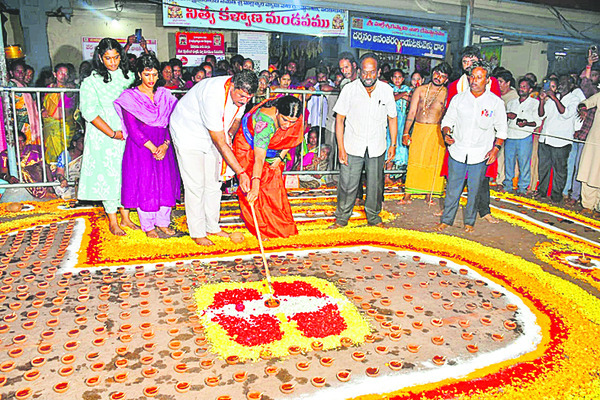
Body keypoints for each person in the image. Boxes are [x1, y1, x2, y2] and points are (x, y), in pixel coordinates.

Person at [170, 70, 258, 246]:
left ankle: (212, 226)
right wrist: (240, 172)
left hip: (214, 134)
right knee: (196, 184)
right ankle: (197, 232)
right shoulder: (213, 94)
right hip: (188, 134)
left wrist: (230, 134)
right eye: (241, 96)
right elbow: (219, 141)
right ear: (232, 85)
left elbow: (235, 121)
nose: (244, 101)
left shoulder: (241, 96)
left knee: (214, 182)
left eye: (248, 98)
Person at [115, 54, 180, 238]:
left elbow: (171, 123)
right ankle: (148, 225)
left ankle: (163, 222)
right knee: (146, 184)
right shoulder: (130, 98)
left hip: (164, 145)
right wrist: (153, 148)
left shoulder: (165, 96)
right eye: (147, 74)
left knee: (165, 183)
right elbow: (132, 129)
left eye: (154, 74)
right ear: (139, 74)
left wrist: (166, 145)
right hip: (141, 148)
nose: (151, 79)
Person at [437, 61, 507, 233]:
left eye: (479, 77)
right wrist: (446, 134)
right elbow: (447, 121)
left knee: (475, 190)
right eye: (472, 77)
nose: (474, 80)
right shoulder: (458, 99)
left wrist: (495, 149)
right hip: (458, 151)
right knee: (453, 189)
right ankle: (447, 220)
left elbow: (502, 129)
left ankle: (470, 222)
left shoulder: (495, 103)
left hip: (480, 153)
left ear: (487, 80)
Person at [78, 37, 139, 236]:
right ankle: (112, 220)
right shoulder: (91, 81)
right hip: (103, 137)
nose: (112, 62)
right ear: (100, 57)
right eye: (107, 58)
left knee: (125, 175)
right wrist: (112, 133)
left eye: (115, 57)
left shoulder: (129, 77)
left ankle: (126, 216)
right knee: (108, 176)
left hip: (127, 135)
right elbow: (89, 111)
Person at [329, 53, 398, 228]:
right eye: (365, 72)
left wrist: (393, 144)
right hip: (353, 145)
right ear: (359, 71)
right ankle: (342, 218)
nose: (368, 76)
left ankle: (374, 217)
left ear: (379, 72)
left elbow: (392, 118)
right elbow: (340, 120)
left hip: (377, 145)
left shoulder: (387, 90)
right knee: (347, 184)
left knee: (375, 184)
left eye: (372, 72)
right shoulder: (349, 90)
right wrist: (341, 148)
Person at [233, 96, 304, 238]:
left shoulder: (294, 114)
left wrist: (280, 157)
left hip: (269, 148)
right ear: (277, 112)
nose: (288, 125)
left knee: (274, 184)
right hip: (247, 148)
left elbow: (292, 137)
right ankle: (261, 228)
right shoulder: (264, 124)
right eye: (285, 120)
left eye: (292, 122)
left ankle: (279, 225)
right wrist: (255, 183)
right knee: (254, 191)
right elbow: (258, 158)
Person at [399, 62, 451, 204]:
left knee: (433, 162)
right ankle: (408, 195)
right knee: (414, 160)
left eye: (442, 76)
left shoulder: (447, 93)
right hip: (419, 128)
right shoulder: (420, 90)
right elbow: (411, 112)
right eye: (437, 73)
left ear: (446, 80)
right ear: (432, 73)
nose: (438, 77)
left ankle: (430, 194)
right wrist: (405, 133)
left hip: (436, 131)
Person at [536, 75, 585, 204]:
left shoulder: (574, 99)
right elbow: (542, 115)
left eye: (564, 82)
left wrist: (553, 98)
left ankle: (556, 195)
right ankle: (542, 192)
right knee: (543, 168)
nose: (561, 85)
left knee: (559, 170)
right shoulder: (553, 98)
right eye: (560, 82)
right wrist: (542, 101)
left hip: (561, 141)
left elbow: (566, 114)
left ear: (572, 85)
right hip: (546, 138)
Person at [504, 77, 541, 194]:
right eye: (520, 86)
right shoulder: (511, 102)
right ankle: (508, 185)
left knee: (524, 162)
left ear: (530, 90)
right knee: (509, 161)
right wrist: (507, 115)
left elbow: (537, 122)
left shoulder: (535, 103)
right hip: (510, 135)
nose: (521, 89)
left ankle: (523, 187)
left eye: (524, 87)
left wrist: (526, 123)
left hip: (524, 136)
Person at [42, 63, 79, 163]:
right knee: (50, 151)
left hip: (63, 125)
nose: (63, 76)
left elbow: (69, 108)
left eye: (66, 73)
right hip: (50, 125)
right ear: (54, 74)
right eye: (60, 73)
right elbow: (45, 105)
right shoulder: (49, 88)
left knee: (62, 152)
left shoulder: (70, 89)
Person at [0, 132, 54, 199]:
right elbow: (3, 173)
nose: (20, 144)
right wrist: (8, 178)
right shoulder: (5, 155)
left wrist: (50, 186)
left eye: (22, 141)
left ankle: (43, 193)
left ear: (25, 142)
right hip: (19, 183)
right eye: (17, 141)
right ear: (12, 143)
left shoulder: (35, 150)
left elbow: (45, 167)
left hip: (38, 179)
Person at [386, 68, 413, 184]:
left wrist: (405, 96)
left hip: (402, 121)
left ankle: (398, 177)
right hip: (391, 121)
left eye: (399, 77)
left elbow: (411, 99)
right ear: (392, 79)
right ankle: (386, 175)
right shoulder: (389, 89)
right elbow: (390, 99)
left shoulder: (407, 89)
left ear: (403, 79)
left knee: (402, 148)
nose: (397, 80)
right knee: (390, 144)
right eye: (395, 77)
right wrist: (402, 95)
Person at [576, 91, 600, 216]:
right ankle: (587, 206)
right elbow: (585, 103)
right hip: (594, 142)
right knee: (588, 172)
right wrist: (583, 109)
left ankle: (598, 208)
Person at [8, 60, 41, 145]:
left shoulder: (25, 86)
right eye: (17, 71)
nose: (20, 74)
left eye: (22, 71)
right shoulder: (12, 84)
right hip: (20, 123)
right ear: (11, 73)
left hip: (29, 123)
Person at [54, 133, 84, 200]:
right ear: (74, 143)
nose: (84, 144)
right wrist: (62, 180)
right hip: (68, 180)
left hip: (81, 181)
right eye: (82, 141)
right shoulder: (65, 155)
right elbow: (59, 173)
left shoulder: (87, 155)